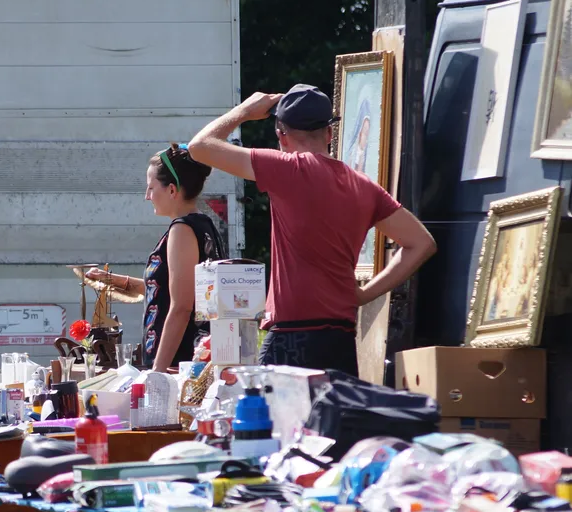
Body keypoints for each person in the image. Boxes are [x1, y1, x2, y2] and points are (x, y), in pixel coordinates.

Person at [188, 85, 436, 376]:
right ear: (329, 134)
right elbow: (422, 243)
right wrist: (366, 294)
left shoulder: (287, 168)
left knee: (271, 422)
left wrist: (244, 111)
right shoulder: (364, 186)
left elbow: (199, 146)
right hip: (341, 340)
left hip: (292, 337)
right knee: (332, 421)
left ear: (281, 135)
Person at [86, 144, 226, 372]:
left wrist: (157, 372)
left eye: (151, 188)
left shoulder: (182, 229)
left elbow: (181, 306)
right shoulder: (203, 224)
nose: (147, 196)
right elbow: (172, 291)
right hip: (188, 359)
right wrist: (115, 281)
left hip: (178, 362)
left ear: (172, 190)